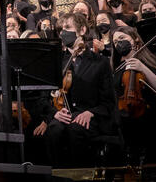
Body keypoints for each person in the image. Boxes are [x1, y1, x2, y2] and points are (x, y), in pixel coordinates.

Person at [45, 12, 117, 167]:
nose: (63, 33)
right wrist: (55, 113)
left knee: (75, 129)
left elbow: (108, 101)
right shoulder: (55, 61)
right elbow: (44, 97)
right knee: (54, 131)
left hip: (90, 117)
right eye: (61, 30)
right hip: (63, 115)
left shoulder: (100, 62)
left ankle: (82, 175)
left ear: (82, 30)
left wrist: (90, 112)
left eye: (68, 28)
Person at [111, 26, 156, 161]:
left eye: (122, 38)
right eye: (115, 42)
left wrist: (142, 67)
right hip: (123, 115)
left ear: (135, 39)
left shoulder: (149, 61)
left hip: (149, 114)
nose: (118, 43)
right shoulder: (115, 67)